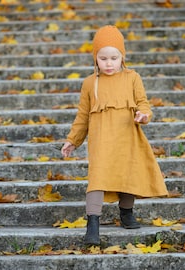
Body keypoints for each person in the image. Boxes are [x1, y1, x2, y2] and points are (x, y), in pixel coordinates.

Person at [61, 25, 168, 246]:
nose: (109, 63)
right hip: (101, 140)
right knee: (97, 178)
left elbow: (144, 104)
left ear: (122, 57)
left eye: (113, 57)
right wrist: (73, 140)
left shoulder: (132, 77)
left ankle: (126, 213)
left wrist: (143, 115)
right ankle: (93, 223)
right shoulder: (90, 83)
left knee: (127, 172)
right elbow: (82, 116)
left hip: (128, 135)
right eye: (103, 58)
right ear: (95, 58)